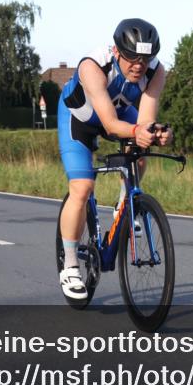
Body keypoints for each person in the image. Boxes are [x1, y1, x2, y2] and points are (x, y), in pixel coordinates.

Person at [56, 18, 173, 299]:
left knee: (140, 154)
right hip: (79, 120)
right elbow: (109, 124)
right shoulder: (93, 67)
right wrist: (137, 131)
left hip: (119, 114)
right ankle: (70, 264)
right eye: (133, 57)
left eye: (146, 58)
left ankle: (126, 206)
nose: (139, 65)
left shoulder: (156, 72)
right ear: (117, 51)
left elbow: (144, 119)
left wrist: (157, 133)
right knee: (82, 188)